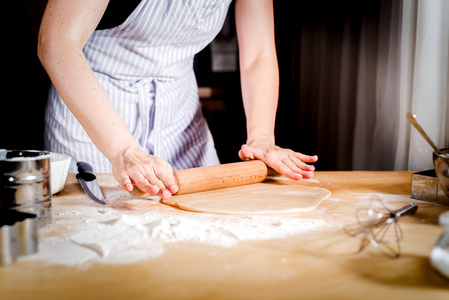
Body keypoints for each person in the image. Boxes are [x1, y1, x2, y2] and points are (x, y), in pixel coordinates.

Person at [38, 0, 318, 201]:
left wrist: (262, 137)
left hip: (180, 110)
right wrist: (123, 151)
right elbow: (56, 42)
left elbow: (259, 55)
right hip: (97, 110)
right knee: (98, 229)